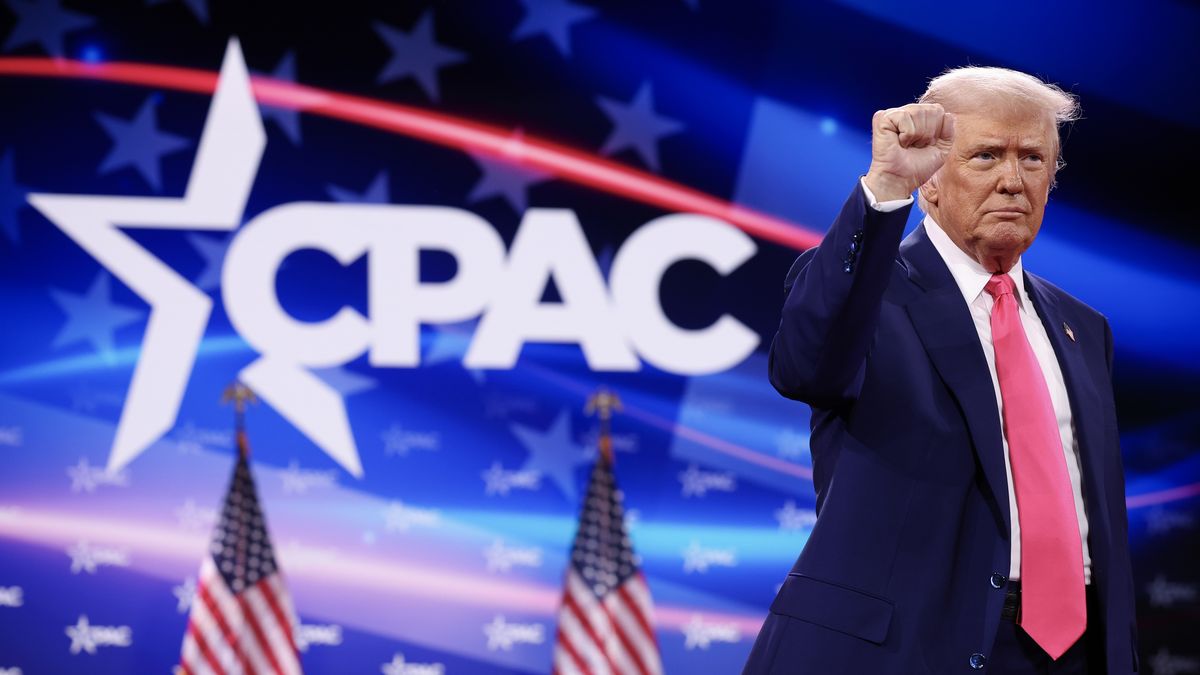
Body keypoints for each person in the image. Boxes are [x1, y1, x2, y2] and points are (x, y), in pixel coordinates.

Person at [743, 67, 1138, 674]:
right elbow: (805, 368)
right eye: (986, 156)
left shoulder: (1085, 329)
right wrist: (884, 188)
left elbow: (1100, 522)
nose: (1013, 180)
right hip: (905, 649)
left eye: (1032, 159)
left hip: (1070, 655)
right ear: (930, 180)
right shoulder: (870, 294)